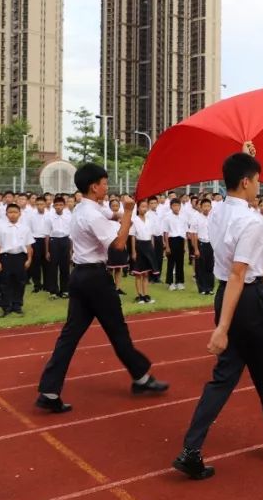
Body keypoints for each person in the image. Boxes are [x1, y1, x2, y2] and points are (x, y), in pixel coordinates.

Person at [174, 146, 263, 480]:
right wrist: (222, 328)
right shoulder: (252, 222)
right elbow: (240, 274)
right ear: (246, 182)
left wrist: (244, 153)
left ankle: (191, 449)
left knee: (224, 377)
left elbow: (231, 276)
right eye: (257, 180)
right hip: (248, 299)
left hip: (227, 294)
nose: (259, 186)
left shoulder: (220, 211)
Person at [35, 164, 169, 413]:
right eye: (105, 183)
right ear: (94, 186)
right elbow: (118, 244)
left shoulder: (84, 210)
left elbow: (107, 217)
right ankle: (141, 377)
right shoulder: (92, 214)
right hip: (95, 279)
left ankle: (49, 390)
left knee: (70, 335)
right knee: (117, 330)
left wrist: (119, 215)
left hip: (80, 276)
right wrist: (129, 212)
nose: (108, 188)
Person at [0, 203, 34, 317]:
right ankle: (6, 307)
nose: (13, 215)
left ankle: (17, 305)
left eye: (15, 212)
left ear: (19, 214)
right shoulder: (1, 228)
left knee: (20, 282)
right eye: (10, 212)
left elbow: (29, 245)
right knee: (5, 283)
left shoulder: (25, 228)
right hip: (5, 257)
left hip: (20, 257)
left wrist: (29, 259)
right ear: (6, 214)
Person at [128, 198, 158, 304]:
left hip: (148, 246)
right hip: (139, 246)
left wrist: (152, 248)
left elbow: (152, 236)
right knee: (138, 273)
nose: (144, 209)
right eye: (142, 207)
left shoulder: (149, 220)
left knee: (146, 274)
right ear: (138, 208)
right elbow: (132, 237)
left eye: (146, 206)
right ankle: (139, 295)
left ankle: (145, 295)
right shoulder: (135, 220)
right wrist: (133, 252)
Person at [189, 198, 216, 295]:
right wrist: (195, 249)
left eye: (208, 206)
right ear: (201, 207)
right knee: (201, 268)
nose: (206, 208)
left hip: (210, 244)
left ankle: (210, 287)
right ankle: (202, 288)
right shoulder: (196, 218)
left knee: (210, 266)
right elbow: (193, 234)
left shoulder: (213, 218)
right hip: (200, 244)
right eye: (204, 206)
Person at [48, 196, 72, 298]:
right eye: (56, 205)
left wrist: (71, 250)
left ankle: (65, 290)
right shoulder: (49, 217)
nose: (58, 207)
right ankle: (53, 291)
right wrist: (47, 251)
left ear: (64, 205)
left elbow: (71, 234)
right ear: (53, 206)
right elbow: (47, 235)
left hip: (65, 240)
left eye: (60, 205)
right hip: (53, 241)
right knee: (53, 267)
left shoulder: (68, 216)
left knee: (65, 267)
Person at [162, 198, 189, 290]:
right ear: (171, 207)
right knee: (171, 262)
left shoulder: (183, 217)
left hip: (181, 240)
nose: (176, 207)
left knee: (180, 262)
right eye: (174, 205)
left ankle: (179, 282)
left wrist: (185, 245)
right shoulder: (167, 217)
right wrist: (167, 246)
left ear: (180, 206)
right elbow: (165, 233)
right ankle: (170, 283)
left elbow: (185, 232)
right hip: (172, 240)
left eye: (178, 205)